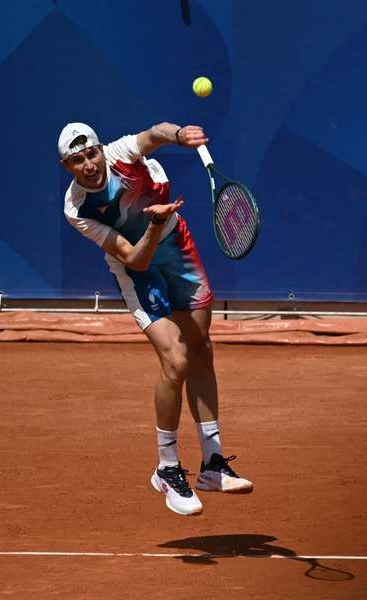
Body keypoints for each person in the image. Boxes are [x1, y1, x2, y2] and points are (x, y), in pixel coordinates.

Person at [58, 121, 252, 516]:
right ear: (68, 167)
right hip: (138, 268)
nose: (90, 165)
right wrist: (156, 222)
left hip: (178, 248)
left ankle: (212, 464)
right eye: (78, 161)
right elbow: (134, 258)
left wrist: (179, 135)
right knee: (176, 361)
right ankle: (167, 468)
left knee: (200, 349)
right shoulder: (77, 208)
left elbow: (155, 133)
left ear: (100, 149)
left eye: (91, 154)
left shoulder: (120, 154)